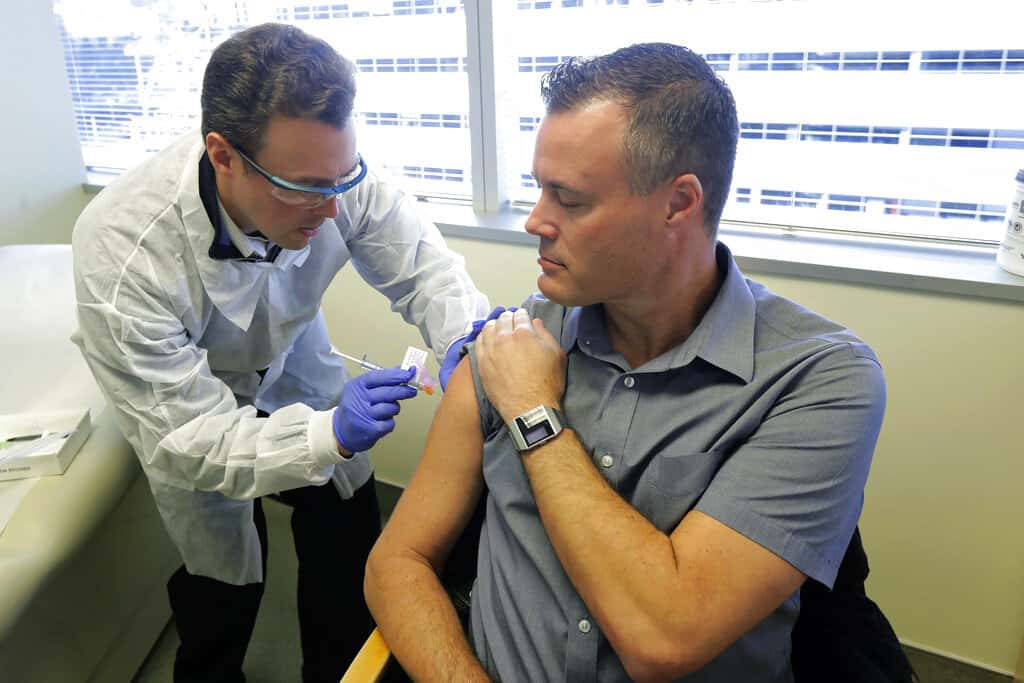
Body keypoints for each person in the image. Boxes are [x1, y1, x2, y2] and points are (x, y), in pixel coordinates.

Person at [365, 43, 889, 681]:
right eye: (539, 188)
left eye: (570, 200)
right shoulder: (514, 340)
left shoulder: (818, 379)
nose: (535, 221)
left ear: (678, 203)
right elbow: (398, 561)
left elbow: (666, 637)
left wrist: (533, 412)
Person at [71, 22, 500, 683]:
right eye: (304, 188)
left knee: (347, 534)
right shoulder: (122, 254)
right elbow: (190, 438)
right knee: (224, 583)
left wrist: (465, 338)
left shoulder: (328, 173)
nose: (331, 210)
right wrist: (329, 431)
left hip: (295, 359)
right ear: (223, 156)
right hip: (189, 403)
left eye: (341, 179)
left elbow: (422, 267)